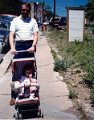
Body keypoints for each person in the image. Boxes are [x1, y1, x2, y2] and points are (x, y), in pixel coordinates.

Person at [9, 3, 39, 105]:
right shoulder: (15, 21)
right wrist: (12, 47)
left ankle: (33, 92)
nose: (25, 11)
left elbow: (35, 35)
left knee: (31, 69)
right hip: (19, 46)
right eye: (23, 10)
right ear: (21, 10)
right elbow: (11, 35)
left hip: (29, 45)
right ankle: (14, 96)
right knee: (16, 70)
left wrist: (33, 46)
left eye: (27, 10)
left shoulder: (33, 21)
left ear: (29, 11)